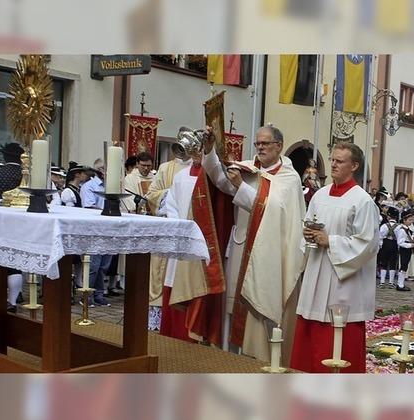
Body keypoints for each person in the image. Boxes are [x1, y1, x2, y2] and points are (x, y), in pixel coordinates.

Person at [202, 124, 305, 364]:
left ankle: (260, 359)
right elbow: (219, 179)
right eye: (258, 143)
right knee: (233, 305)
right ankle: (230, 358)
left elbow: (274, 209)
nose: (260, 147)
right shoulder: (248, 169)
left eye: (265, 143)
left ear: (279, 146)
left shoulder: (288, 178)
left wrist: (240, 186)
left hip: (269, 252)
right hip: (240, 247)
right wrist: (209, 150)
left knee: (260, 304)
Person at [291, 142, 379, 373]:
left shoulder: (362, 201)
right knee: (309, 340)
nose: (333, 164)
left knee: (337, 341)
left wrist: (330, 241)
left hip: (343, 284)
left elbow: (368, 243)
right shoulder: (320, 195)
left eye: (340, 161)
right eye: (332, 160)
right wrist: (308, 234)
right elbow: (310, 227)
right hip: (316, 277)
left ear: (354, 166)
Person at [161, 128, 224, 345]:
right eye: (194, 151)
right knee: (175, 286)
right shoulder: (180, 177)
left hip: (202, 246)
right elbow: (171, 205)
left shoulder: (213, 177)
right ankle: (173, 338)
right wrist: (181, 228)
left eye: (200, 151)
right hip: (181, 244)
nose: (196, 155)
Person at [144, 139, 193, 331]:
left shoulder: (200, 167)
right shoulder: (166, 168)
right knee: (159, 273)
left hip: (186, 229)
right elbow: (151, 194)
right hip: (166, 228)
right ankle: (157, 315)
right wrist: (173, 192)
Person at [0, 143, 25, 312]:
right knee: (15, 263)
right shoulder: (29, 176)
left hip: (1, 222)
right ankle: (13, 300)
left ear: (5, 157)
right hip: (25, 222)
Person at [80, 159, 112, 307]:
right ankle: (87, 295)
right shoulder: (89, 186)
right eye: (105, 169)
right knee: (93, 265)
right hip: (94, 230)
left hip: (108, 230)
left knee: (104, 265)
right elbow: (88, 206)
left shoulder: (110, 186)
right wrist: (108, 211)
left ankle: (99, 294)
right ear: (100, 170)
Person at [378, 206, 400, 288]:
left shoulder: (384, 226)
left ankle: (382, 282)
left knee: (383, 263)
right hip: (394, 244)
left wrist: (380, 245)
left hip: (385, 244)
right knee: (393, 263)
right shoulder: (398, 226)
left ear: (388, 217)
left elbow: (380, 236)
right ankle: (391, 282)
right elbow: (400, 237)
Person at [395, 209, 414, 291]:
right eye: (409, 220)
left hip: (408, 249)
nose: (411, 222)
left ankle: (401, 283)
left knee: (405, 266)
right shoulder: (401, 230)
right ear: (404, 220)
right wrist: (410, 245)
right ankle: (400, 284)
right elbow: (400, 242)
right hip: (404, 249)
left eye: (412, 220)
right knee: (403, 266)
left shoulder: (407, 229)